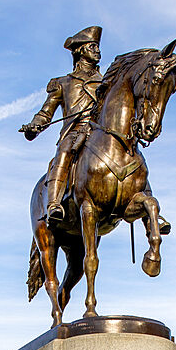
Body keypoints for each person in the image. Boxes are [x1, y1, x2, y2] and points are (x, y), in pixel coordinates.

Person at [20, 25, 103, 226]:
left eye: (97, 47)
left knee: (130, 151)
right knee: (64, 152)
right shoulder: (63, 83)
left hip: (99, 132)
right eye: (92, 47)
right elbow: (45, 113)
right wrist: (35, 126)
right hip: (74, 133)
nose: (98, 51)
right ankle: (54, 203)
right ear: (81, 51)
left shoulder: (106, 82)